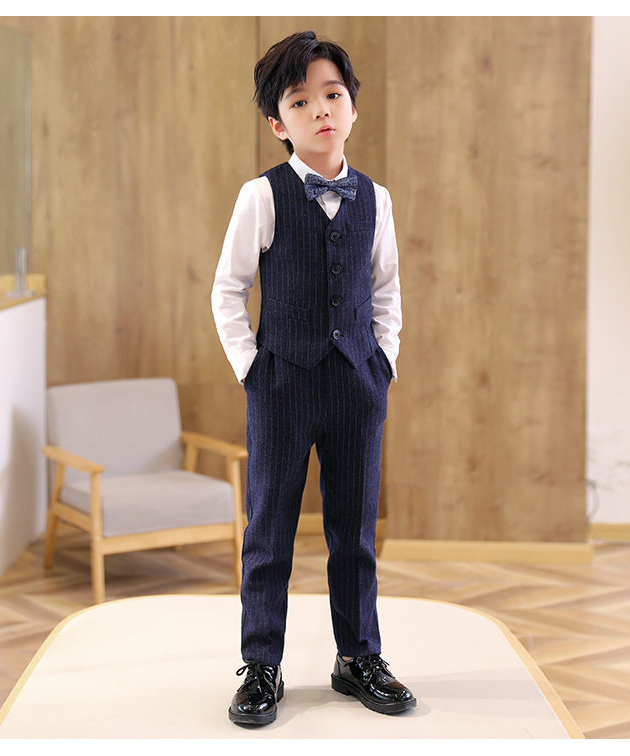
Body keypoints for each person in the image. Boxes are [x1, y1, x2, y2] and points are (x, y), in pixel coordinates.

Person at [211, 30, 414, 726]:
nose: (320, 110)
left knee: (354, 531)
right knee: (269, 529)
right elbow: (227, 290)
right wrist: (253, 369)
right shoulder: (262, 196)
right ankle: (261, 664)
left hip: (357, 384)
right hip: (282, 386)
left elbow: (385, 289)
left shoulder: (377, 199)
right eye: (300, 101)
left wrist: (382, 362)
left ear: (352, 106)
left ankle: (358, 657)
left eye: (332, 95)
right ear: (278, 123)